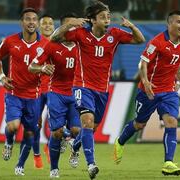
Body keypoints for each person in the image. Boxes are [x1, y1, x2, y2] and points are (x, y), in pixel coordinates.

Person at [51, 1, 145, 179]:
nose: (107, 19)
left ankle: (76, 146)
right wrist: (70, 24)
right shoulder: (79, 34)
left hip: (102, 89)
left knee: (91, 128)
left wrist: (132, 26)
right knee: (86, 122)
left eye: (108, 16)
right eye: (103, 17)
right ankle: (92, 164)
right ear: (93, 20)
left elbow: (140, 40)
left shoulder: (115, 35)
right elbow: (55, 38)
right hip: (82, 86)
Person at [113, 10, 180, 176]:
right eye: (179, 22)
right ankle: (120, 141)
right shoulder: (156, 42)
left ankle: (168, 162)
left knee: (171, 122)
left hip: (169, 92)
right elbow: (142, 63)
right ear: (169, 24)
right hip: (148, 92)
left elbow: (178, 65)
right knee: (139, 124)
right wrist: (145, 81)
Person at [0, 8, 50, 176]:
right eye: (28, 19)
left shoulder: (45, 45)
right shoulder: (10, 41)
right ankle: (9, 142)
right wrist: (2, 76)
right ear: (22, 22)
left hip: (34, 96)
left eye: (34, 19)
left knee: (31, 133)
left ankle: (20, 165)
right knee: (13, 126)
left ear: (37, 23)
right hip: (14, 93)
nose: (31, 22)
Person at [29, 12, 82, 178]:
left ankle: (74, 150)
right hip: (56, 92)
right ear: (61, 28)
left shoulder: (82, 46)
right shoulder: (52, 45)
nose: (71, 29)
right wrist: (42, 68)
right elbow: (32, 66)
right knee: (57, 132)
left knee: (76, 130)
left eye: (74, 25)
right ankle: (54, 168)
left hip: (75, 92)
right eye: (67, 25)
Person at [30, 13, 55, 168]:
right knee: (35, 124)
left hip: (55, 90)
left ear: (54, 26)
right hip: (37, 89)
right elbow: (30, 67)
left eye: (50, 23)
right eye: (44, 23)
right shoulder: (34, 44)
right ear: (39, 26)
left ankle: (49, 148)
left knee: (58, 124)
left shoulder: (60, 42)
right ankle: (37, 155)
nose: (47, 26)